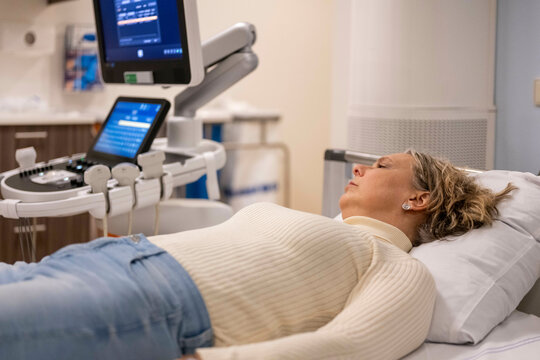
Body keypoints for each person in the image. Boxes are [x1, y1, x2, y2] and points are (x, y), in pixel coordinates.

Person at [0, 150, 515, 360]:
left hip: (147, 301)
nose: (359, 168)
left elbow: (349, 347)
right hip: (91, 264)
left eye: (379, 165)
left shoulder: (399, 267)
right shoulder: (319, 225)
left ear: (418, 199)